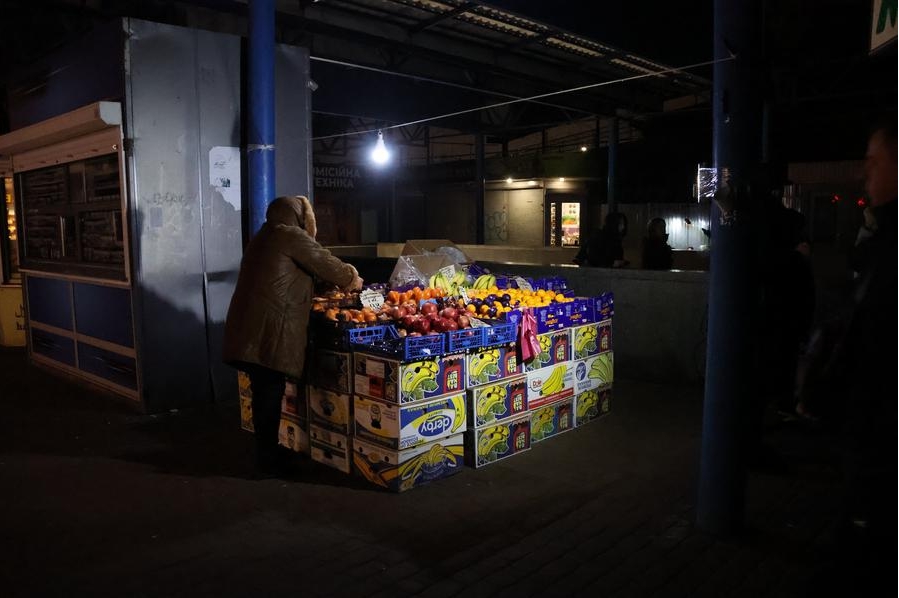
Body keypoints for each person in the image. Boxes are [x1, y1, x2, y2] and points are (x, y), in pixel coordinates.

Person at [223, 195, 362, 475]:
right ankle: (267, 463)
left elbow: (294, 272)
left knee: (264, 392)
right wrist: (351, 278)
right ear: (299, 217)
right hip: (268, 330)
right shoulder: (290, 235)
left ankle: (268, 454)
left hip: (248, 328)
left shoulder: (264, 235)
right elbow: (324, 261)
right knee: (269, 393)